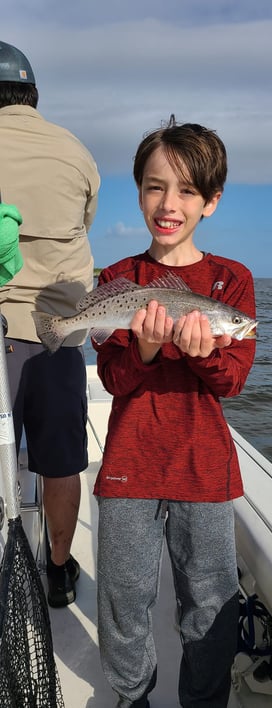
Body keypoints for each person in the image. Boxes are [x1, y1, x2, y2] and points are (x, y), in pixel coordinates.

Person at [92, 117, 256, 708]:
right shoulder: (115, 282)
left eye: (187, 190)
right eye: (156, 186)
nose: (169, 204)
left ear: (211, 202)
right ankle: (130, 697)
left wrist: (203, 352)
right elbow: (113, 378)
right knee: (122, 602)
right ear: (137, 192)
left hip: (204, 469)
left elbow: (232, 379)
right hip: (128, 468)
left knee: (211, 610)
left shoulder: (230, 282)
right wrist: (143, 347)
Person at [0, 41, 100, 608]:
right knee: (61, 461)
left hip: (0, 333)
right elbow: (85, 216)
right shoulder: (75, 150)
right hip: (60, 332)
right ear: (33, 94)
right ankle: (58, 570)